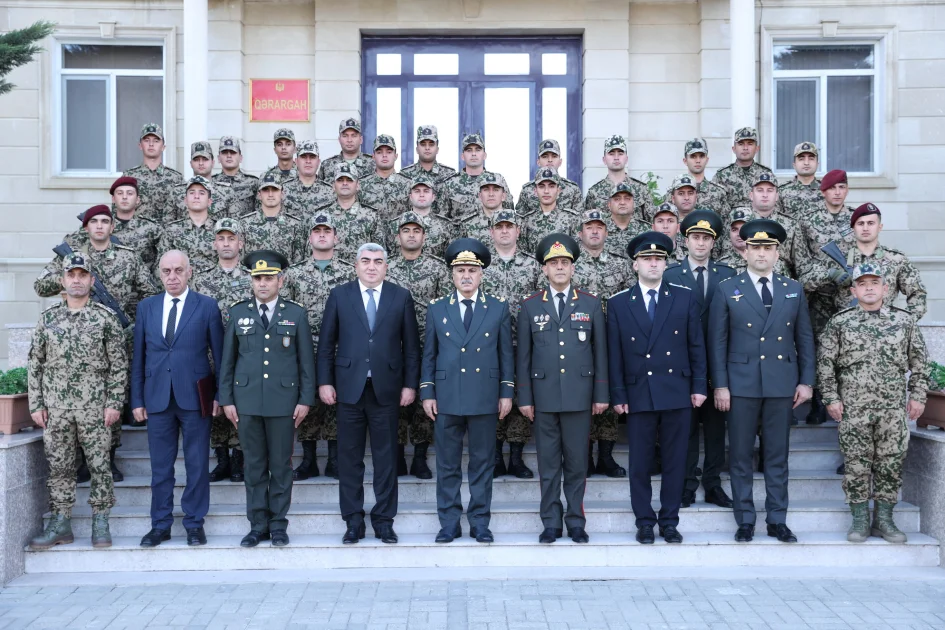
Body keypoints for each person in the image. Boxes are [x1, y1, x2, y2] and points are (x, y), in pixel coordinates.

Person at [708, 218, 815, 544]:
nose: (762, 254)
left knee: (777, 456)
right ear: (745, 252)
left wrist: (807, 381)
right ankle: (745, 519)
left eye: (768, 248)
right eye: (756, 247)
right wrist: (721, 385)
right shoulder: (728, 288)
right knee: (739, 455)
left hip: (781, 383)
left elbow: (805, 339)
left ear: (777, 253)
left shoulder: (792, 289)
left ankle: (777, 520)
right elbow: (717, 342)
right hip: (740, 385)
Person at [36, 204, 159, 480]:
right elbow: (40, 286)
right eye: (95, 222)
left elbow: (151, 294)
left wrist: (136, 327)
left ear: (113, 227)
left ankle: (109, 459)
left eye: (106, 221)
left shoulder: (128, 258)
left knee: (111, 397)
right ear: (86, 227)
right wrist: (71, 280)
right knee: (80, 400)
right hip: (76, 338)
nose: (100, 226)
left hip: (118, 336)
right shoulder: (71, 257)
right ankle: (82, 461)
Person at [316, 243, 421, 545]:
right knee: (349, 459)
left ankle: (384, 520)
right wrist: (325, 382)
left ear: (386, 266)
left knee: (386, 459)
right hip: (348, 390)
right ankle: (353, 520)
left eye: (378, 261)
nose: (372, 266)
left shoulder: (400, 297)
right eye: (366, 261)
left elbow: (412, 348)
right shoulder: (340, 295)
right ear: (356, 265)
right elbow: (325, 345)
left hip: (386, 391)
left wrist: (410, 385)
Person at [817, 263, 929, 544]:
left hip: (892, 409)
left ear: (885, 288)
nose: (869, 288)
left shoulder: (904, 321)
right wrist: (831, 398)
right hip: (853, 409)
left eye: (874, 283)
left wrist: (917, 396)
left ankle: (885, 519)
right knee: (856, 465)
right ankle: (859, 519)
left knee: (890, 464)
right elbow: (826, 363)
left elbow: (919, 362)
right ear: (853, 289)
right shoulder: (841, 322)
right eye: (862, 283)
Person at [607, 231, 706, 544]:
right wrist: (618, 394)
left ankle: (670, 521)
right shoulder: (620, 303)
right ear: (635, 265)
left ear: (666, 264)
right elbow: (615, 355)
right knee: (640, 463)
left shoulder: (684, 296)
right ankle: (644, 521)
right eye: (647, 259)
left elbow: (696, 345)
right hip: (639, 393)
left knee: (676, 462)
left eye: (658, 259)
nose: (653, 263)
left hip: (676, 389)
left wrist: (699, 386)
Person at [27, 254, 127, 550]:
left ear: (91, 281)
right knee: (59, 467)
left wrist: (114, 403)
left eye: (83, 275)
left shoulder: (104, 318)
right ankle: (60, 522)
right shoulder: (48, 319)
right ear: (63, 280)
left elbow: (118, 365)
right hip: (56, 408)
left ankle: (100, 520)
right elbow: (36, 364)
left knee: (99, 465)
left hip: (95, 407)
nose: (77, 280)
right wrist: (36, 404)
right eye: (71, 275)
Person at [218, 250, 316, 548]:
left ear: (280, 281)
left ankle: (278, 525)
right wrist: (226, 399)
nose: (263, 284)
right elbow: (228, 362)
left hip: (283, 402)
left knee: (281, 466)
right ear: (251, 281)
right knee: (254, 466)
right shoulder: (238, 313)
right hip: (246, 402)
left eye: (269, 278)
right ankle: (257, 524)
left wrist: (305, 399)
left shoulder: (295, 313)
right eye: (258, 278)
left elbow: (305, 362)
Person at [421, 238, 514, 543]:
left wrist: (506, 392)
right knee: (447, 464)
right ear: (452, 274)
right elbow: (429, 355)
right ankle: (449, 522)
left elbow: (505, 355)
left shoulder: (498, 308)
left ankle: (479, 522)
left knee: (482, 463)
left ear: (481, 274)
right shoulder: (437, 309)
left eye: (472, 270)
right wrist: (427, 392)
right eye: (460, 270)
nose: (466, 276)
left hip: (485, 396)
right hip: (447, 397)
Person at [517, 233, 608, 544]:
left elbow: (601, 353)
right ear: (544, 269)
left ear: (572, 268)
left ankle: (576, 521)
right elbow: (523, 357)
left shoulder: (591, 303)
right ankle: (551, 522)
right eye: (553, 263)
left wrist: (601, 394)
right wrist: (525, 397)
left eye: (565, 263)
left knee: (577, 463)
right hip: (542, 398)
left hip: (579, 396)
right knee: (548, 464)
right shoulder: (530, 306)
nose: (559, 267)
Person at [131, 250, 225, 548]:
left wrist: (221, 395)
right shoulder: (147, 307)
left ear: (190, 272)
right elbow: (139, 358)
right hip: (157, 398)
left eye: (178, 270)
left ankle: (194, 523)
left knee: (197, 464)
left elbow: (220, 357)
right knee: (161, 467)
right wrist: (136, 400)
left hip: (195, 398)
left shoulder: (207, 307)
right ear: (159, 274)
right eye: (166, 271)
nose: (172, 277)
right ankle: (160, 525)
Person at [663, 210, 736, 509]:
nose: (701, 244)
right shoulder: (670, 275)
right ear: (685, 240)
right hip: (683, 366)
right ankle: (687, 483)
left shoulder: (728, 275)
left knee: (717, 429)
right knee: (686, 429)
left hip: (718, 366)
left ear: (713, 243)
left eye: (706, 238)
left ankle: (713, 483)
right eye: (696, 237)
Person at [283, 214, 356, 481]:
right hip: (304, 345)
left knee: (337, 402)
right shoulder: (294, 273)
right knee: (307, 399)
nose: (322, 235)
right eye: (317, 231)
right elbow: (286, 310)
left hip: (341, 345)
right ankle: (309, 459)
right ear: (310, 237)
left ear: (336, 238)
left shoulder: (350, 271)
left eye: (327, 231)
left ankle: (336, 459)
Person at [386, 212, 451, 478]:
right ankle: (399, 454)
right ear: (397, 236)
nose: (411, 235)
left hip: (428, 341)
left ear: (424, 236)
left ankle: (421, 457)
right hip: (393, 342)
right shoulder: (386, 266)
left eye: (416, 231)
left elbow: (445, 305)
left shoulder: (437, 268)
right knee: (396, 399)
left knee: (425, 397)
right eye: (406, 230)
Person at [571, 209, 632, 477]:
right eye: (589, 227)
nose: (594, 231)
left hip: (611, 338)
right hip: (578, 339)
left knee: (607, 394)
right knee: (582, 396)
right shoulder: (570, 265)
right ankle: (584, 455)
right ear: (580, 233)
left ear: (606, 232)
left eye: (599, 227)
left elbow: (630, 299)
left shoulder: (620, 264)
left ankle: (606, 455)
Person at [191, 218, 252, 484]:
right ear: (214, 243)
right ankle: (222, 459)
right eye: (221, 239)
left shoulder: (251, 279)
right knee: (214, 404)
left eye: (231, 238)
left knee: (239, 402)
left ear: (241, 243)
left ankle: (239, 459)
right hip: (208, 353)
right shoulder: (201, 281)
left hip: (242, 352)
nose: (226, 243)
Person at [481, 210, 541, 478]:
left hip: (524, 342)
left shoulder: (533, 265)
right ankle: (495, 455)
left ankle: (516, 457)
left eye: (510, 226)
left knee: (521, 396)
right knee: (491, 396)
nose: (504, 231)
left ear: (518, 231)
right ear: (491, 232)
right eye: (499, 226)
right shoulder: (481, 266)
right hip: (489, 344)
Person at [794, 169, 856, 426]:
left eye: (842, 187)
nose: (837, 192)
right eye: (832, 188)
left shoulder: (857, 219)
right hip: (818, 298)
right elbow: (801, 264)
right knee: (819, 351)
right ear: (824, 191)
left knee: (848, 351)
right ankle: (819, 402)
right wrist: (828, 274)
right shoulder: (807, 221)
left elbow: (867, 252)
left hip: (849, 299)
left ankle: (848, 401)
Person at [829, 203, 927, 319]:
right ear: (853, 228)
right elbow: (809, 283)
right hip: (847, 328)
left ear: (880, 227)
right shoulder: (838, 257)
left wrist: (905, 323)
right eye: (860, 223)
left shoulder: (896, 259)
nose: (865, 228)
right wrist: (828, 275)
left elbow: (917, 293)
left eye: (870, 223)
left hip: (886, 328)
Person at [65, 177, 162, 271]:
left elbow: (163, 259)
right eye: (120, 193)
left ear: (137, 200)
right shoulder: (100, 224)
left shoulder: (151, 228)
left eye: (130, 193)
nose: (124, 197)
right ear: (113, 199)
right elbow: (69, 244)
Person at [314, 163, 386, 261]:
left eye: (349, 180)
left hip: (361, 274)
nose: (345, 183)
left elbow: (379, 253)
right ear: (333, 186)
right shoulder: (321, 215)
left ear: (357, 185)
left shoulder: (371, 216)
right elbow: (311, 252)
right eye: (340, 180)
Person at [441, 133, 514, 221]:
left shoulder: (498, 180)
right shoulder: (450, 184)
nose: (474, 154)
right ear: (462, 156)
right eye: (469, 150)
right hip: (461, 234)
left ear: (484, 155)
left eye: (478, 150)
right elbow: (442, 220)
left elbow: (509, 214)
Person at [239, 173, 307, 265]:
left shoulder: (295, 224)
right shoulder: (245, 223)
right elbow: (241, 262)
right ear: (259, 195)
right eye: (266, 190)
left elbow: (298, 262)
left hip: (284, 277)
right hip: (255, 277)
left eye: (275, 189)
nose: (270, 194)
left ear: (282, 194)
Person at [584, 135, 656, 222]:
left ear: (626, 159)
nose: (616, 158)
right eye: (611, 154)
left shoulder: (641, 189)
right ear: (604, 160)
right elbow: (588, 225)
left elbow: (652, 223)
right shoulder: (594, 192)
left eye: (620, 153)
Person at [123, 123, 183, 223]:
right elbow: (118, 212)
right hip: (137, 235)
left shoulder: (176, 178)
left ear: (163, 147)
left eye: (156, 140)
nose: (151, 144)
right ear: (140, 146)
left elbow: (183, 212)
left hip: (166, 235)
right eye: (147, 140)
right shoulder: (128, 177)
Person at [158, 176, 219, 274]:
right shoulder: (172, 230)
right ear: (185, 200)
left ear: (209, 202)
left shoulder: (220, 229)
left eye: (202, 193)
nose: (196, 196)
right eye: (192, 192)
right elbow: (161, 265)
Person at [386, 175, 455, 260]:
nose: (421, 195)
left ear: (433, 197)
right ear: (410, 196)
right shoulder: (395, 225)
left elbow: (450, 258)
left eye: (426, 191)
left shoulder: (446, 225)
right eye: (417, 191)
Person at [519, 168, 580, 254]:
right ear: (535, 191)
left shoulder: (572, 218)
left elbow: (577, 252)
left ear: (558, 190)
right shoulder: (526, 221)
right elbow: (523, 254)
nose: (546, 191)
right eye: (541, 186)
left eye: (551, 186)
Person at [516, 139, 583, 215]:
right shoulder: (527, 190)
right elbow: (520, 220)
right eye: (545, 156)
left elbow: (580, 221)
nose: (550, 160)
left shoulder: (573, 189)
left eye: (554, 156)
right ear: (538, 162)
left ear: (560, 162)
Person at [712, 126, 773, 210]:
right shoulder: (722, 175)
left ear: (757, 148)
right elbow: (715, 204)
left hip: (758, 221)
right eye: (741, 144)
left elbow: (774, 204)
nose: (745, 148)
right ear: (734, 149)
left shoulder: (766, 174)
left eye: (750, 144)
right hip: (731, 222)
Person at [171, 142, 232, 221]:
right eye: (196, 160)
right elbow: (168, 226)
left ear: (213, 163)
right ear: (191, 163)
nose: (201, 163)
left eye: (205, 159)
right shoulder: (176, 192)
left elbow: (235, 226)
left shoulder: (227, 192)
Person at [359, 135, 413, 221]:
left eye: (389, 152)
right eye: (379, 152)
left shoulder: (408, 184)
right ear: (373, 156)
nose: (384, 155)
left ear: (396, 156)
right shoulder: (361, 185)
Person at [455, 172, 510, 250]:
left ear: (503, 196)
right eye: (486, 190)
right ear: (480, 196)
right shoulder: (466, 225)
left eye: (496, 190)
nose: (491, 194)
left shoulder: (517, 223)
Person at [681, 138, 729, 219]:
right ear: (685, 161)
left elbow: (726, 225)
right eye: (693, 156)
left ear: (707, 160)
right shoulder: (675, 192)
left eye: (702, 156)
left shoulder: (719, 192)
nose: (698, 161)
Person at [281, 140, 335, 214]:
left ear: (318, 162)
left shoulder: (330, 191)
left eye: (312, 157)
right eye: (303, 157)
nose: (308, 161)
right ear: (296, 161)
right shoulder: (283, 189)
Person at [213, 136, 259, 218]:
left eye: (233, 152)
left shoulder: (253, 183)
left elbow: (259, 212)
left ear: (241, 158)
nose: (229, 156)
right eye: (224, 152)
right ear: (219, 158)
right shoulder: (211, 183)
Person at [317, 117, 376, 183]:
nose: (349, 140)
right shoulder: (327, 165)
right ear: (339, 140)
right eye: (345, 136)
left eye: (354, 136)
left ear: (361, 139)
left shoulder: (372, 163)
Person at [603, 181, 649, 261]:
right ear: (609, 205)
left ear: (634, 204)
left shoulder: (647, 230)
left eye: (627, 199)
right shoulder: (600, 229)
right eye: (617, 199)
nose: (622, 202)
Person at [777, 142, 823, 218]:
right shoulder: (782, 191)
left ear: (817, 164)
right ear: (794, 164)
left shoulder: (826, 190)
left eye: (811, 159)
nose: (806, 163)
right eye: (801, 159)